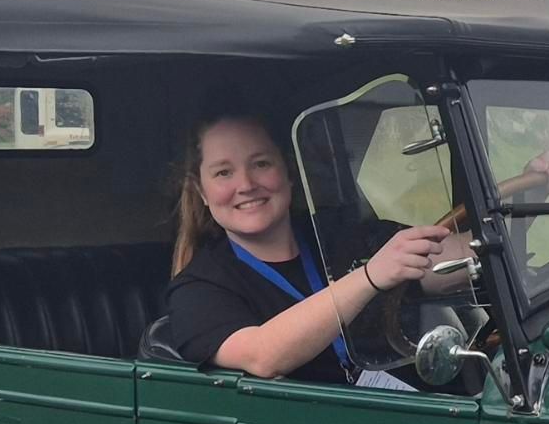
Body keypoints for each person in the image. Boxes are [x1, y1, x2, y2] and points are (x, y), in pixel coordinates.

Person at [160, 115, 461, 386]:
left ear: (288, 171)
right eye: (224, 173)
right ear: (201, 190)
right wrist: (369, 276)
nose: (246, 184)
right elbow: (262, 355)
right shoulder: (196, 289)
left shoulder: (339, 232)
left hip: (419, 416)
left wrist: (504, 201)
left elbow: (447, 258)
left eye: (261, 164)